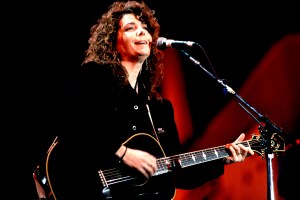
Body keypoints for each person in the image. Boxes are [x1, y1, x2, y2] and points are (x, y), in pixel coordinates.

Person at [48, 1, 255, 200]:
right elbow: (70, 124)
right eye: (130, 28)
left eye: (145, 28)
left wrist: (223, 159)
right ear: (113, 42)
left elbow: (177, 172)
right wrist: (123, 153)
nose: (141, 32)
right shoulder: (96, 78)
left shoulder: (160, 109)